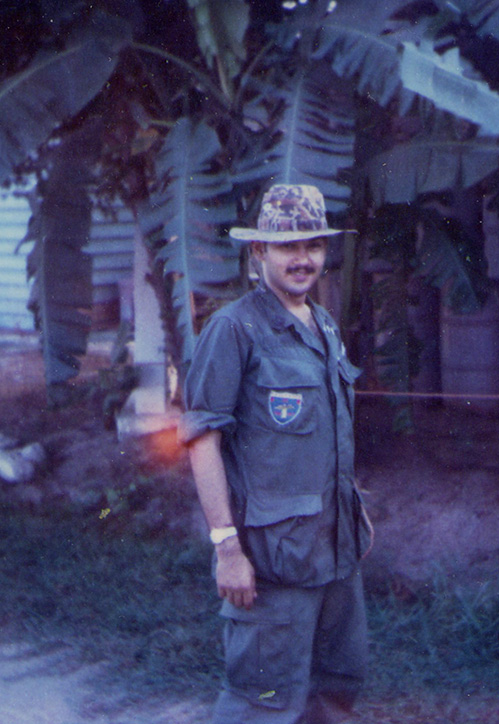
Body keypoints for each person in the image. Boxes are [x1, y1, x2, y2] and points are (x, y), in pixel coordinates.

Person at [181, 184, 372, 724]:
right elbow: (202, 441)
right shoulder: (234, 328)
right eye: (287, 247)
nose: (303, 258)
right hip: (273, 560)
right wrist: (227, 549)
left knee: (334, 693)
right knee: (261, 703)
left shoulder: (323, 325)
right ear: (259, 252)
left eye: (312, 245)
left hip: (335, 554)